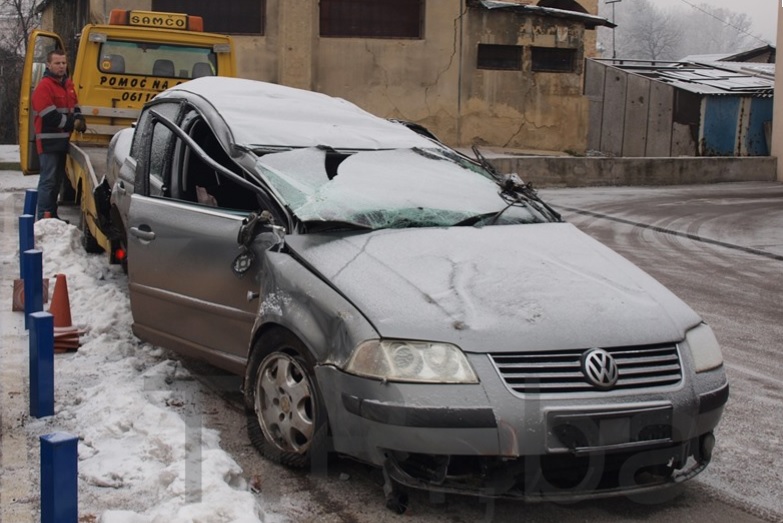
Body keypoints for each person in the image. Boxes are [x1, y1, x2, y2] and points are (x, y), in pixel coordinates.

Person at [31, 49, 86, 220]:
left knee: (55, 182)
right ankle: (43, 218)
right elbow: (49, 116)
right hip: (48, 143)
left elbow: (74, 106)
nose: (61, 66)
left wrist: (79, 117)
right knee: (48, 181)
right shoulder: (44, 86)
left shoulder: (67, 84)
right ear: (49, 65)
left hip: (62, 141)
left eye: (63, 63)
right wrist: (71, 123)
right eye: (57, 63)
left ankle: (51, 216)